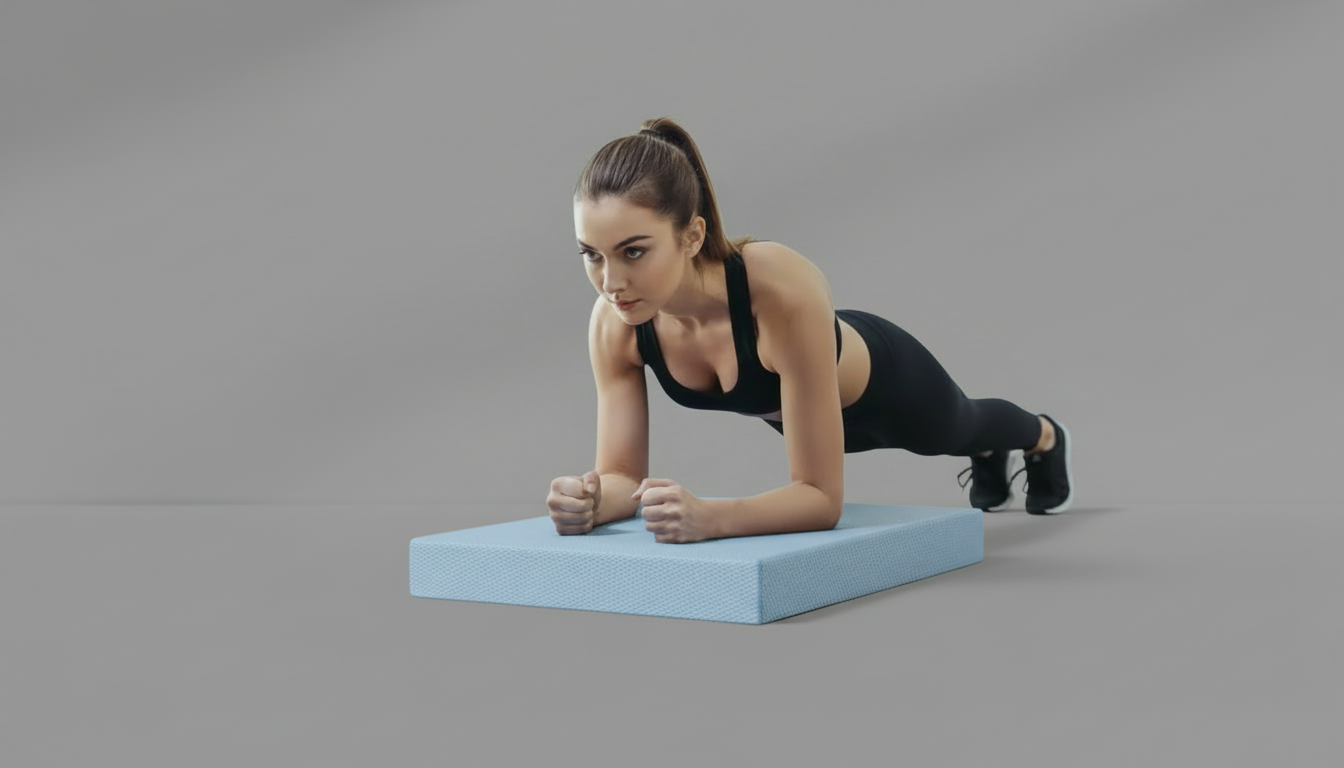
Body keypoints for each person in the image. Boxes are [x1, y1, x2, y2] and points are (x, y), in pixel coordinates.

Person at [546, 117, 1073, 544]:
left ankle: (1043, 436)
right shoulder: (614, 325)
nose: (610, 282)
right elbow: (622, 476)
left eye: (634, 251)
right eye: (591, 255)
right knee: (961, 435)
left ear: (692, 236)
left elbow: (821, 500)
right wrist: (591, 501)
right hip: (804, 412)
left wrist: (710, 518)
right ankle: (990, 453)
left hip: (889, 389)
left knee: (960, 429)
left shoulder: (777, 287)